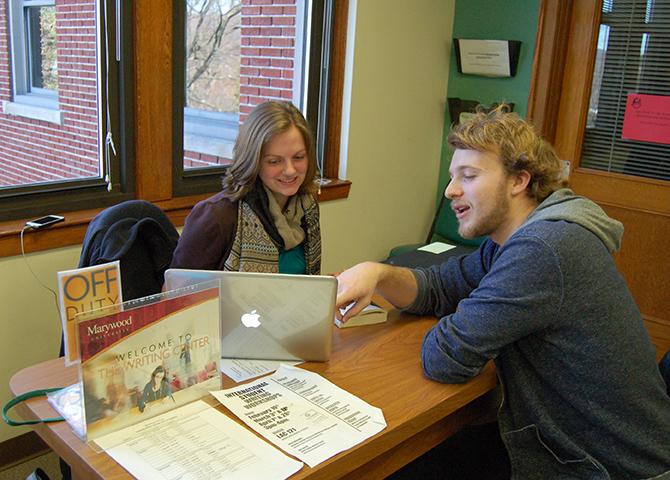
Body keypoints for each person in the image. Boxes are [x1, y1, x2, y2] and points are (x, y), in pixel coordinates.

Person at [335, 106, 670, 479]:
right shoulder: (515, 238)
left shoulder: (544, 247)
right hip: (553, 441)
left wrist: (470, 315)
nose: (451, 190)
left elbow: (446, 356)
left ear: (518, 181)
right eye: (452, 176)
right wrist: (378, 273)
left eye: (469, 175)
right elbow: (442, 286)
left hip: (599, 467)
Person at [170, 101, 321, 275]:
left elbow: (309, 279)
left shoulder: (307, 207)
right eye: (274, 161)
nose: (290, 170)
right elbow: (175, 296)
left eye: (298, 157)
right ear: (253, 161)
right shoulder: (217, 217)